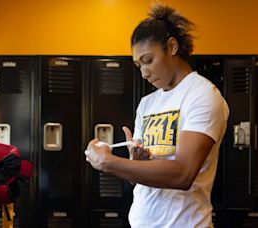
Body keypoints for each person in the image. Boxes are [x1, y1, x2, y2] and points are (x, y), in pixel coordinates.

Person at [84, 3, 229, 228]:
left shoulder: (202, 95)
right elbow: (136, 178)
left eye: (148, 60)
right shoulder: (147, 103)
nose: (144, 73)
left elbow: (183, 173)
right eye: (138, 65)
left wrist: (108, 161)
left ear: (172, 47)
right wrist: (137, 163)